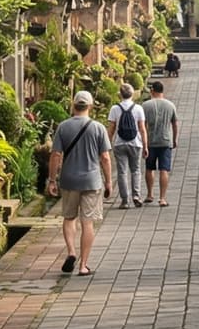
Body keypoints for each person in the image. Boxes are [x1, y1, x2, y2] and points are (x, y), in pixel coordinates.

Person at [46, 90, 112, 277]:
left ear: (73, 105)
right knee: (87, 222)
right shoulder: (98, 128)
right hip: (92, 181)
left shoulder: (63, 127)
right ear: (90, 106)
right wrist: (109, 182)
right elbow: (105, 158)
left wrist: (52, 179)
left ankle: (71, 252)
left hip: (69, 180)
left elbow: (56, 155)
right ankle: (83, 265)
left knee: (69, 218)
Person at [108, 84, 146, 208]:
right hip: (136, 143)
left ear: (120, 94)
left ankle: (124, 200)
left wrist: (107, 144)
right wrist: (145, 145)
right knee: (135, 170)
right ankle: (136, 195)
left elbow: (111, 128)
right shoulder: (138, 108)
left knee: (122, 172)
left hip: (119, 143)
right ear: (132, 94)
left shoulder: (115, 108)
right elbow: (142, 128)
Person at [141, 79, 178, 206]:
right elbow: (174, 124)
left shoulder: (145, 106)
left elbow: (142, 125)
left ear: (152, 91)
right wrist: (174, 139)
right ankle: (162, 198)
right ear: (163, 91)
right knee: (164, 170)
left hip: (151, 141)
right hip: (165, 141)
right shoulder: (170, 105)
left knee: (149, 168)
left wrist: (143, 142)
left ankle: (150, 194)